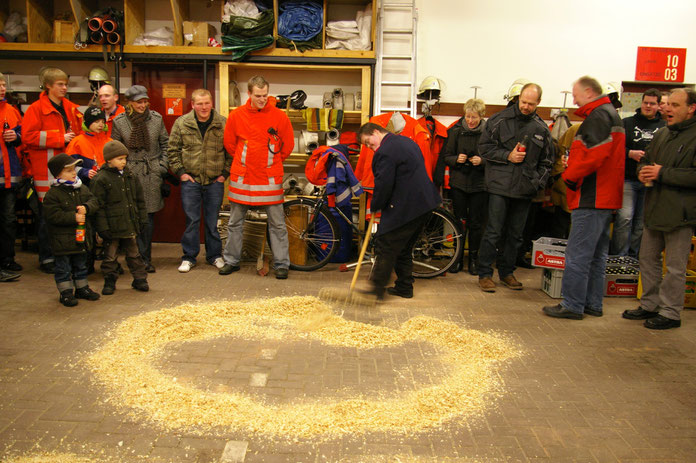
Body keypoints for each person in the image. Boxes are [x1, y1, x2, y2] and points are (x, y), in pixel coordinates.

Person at [542, 76, 625, 320]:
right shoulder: (610, 115)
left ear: (589, 92)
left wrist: (569, 176)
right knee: (597, 255)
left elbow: (592, 156)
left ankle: (572, 304)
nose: (574, 98)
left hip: (592, 196)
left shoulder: (598, 116)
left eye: (575, 94)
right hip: (606, 198)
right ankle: (592, 304)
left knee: (577, 254)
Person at [622, 88, 696, 330]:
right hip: (654, 209)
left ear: (691, 108)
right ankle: (649, 304)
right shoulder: (662, 133)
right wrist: (643, 169)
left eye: (674, 105)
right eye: (668, 104)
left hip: (680, 214)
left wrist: (662, 173)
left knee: (675, 267)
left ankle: (671, 312)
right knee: (647, 259)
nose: (667, 109)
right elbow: (647, 159)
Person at [477, 83, 554, 292]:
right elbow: (484, 148)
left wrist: (536, 182)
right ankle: (484, 273)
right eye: (523, 102)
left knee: (515, 234)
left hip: (524, 189)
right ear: (518, 98)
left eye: (530, 103)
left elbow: (548, 162)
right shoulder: (499, 120)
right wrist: (507, 155)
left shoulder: (541, 129)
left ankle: (507, 272)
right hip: (499, 187)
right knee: (493, 231)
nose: (526, 107)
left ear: (538, 103)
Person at [220, 76, 294, 279]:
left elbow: (287, 146)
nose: (262, 99)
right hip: (243, 177)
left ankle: (281, 264)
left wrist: (269, 161)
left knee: (277, 224)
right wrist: (247, 160)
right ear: (249, 94)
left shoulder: (279, 116)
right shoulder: (237, 115)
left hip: (269, 177)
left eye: (265, 95)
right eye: (258, 96)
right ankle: (231, 261)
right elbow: (230, 144)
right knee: (235, 222)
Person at [358, 122, 441, 299]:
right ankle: (404, 287)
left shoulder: (385, 151)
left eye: (369, 143)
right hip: (425, 203)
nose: (370, 148)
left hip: (408, 205)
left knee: (386, 244)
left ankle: (376, 290)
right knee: (403, 247)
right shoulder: (406, 141)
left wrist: (375, 205)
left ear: (375, 132)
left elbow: (384, 183)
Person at [22, 67, 83, 273]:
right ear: (48, 85)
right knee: (48, 217)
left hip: (69, 170)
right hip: (46, 173)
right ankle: (47, 257)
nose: (64, 88)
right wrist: (58, 138)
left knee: (70, 214)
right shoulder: (36, 109)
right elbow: (28, 136)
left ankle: (69, 256)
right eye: (60, 84)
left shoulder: (72, 108)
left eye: (66, 84)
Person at [167, 89, 231, 273]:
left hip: (214, 182)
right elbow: (172, 151)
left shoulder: (222, 124)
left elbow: (231, 152)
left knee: (212, 222)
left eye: (207, 103)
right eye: (200, 104)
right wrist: (181, 173)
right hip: (191, 181)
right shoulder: (182, 123)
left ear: (212, 104)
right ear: (193, 105)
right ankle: (189, 257)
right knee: (192, 220)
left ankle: (214, 256)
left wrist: (223, 175)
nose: (204, 107)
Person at [110, 85, 169, 273]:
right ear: (129, 103)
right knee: (129, 217)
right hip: (129, 174)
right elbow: (115, 150)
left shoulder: (156, 119)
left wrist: (161, 167)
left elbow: (166, 144)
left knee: (148, 218)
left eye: (145, 101)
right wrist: (122, 171)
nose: (143, 105)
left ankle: (145, 259)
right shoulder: (119, 122)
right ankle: (130, 258)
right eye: (138, 102)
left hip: (151, 173)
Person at [610, 89, 665, 257]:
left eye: (652, 103)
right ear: (641, 103)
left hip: (651, 182)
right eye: (645, 102)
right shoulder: (626, 123)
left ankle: (633, 258)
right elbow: (614, 147)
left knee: (641, 222)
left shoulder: (664, 127)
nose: (648, 106)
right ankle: (619, 257)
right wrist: (629, 153)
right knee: (624, 219)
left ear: (658, 106)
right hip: (628, 179)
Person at [91, 140, 149, 295]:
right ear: (109, 160)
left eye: (125, 158)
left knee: (134, 254)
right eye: (120, 159)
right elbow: (98, 206)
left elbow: (139, 200)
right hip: (112, 226)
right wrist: (102, 228)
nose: (124, 162)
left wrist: (142, 218)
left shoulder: (130, 176)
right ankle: (109, 281)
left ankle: (140, 279)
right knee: (110, 257)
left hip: (129, 225)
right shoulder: (101, 179)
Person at [43, 153, 100, 306]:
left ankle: (82, 288)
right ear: (58, 174)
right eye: (68, 170)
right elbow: (52, 215)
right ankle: (66, 292)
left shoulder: (82, 188)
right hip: (62, 241)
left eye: (74, 169)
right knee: (63, 268)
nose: (74, 173)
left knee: (81, 265)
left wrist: (87, 208)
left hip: (80, 238)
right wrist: (73, 217)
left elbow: (94, 201)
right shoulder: (53, 194)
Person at [442, 98, 487, 275]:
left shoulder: (488, 133)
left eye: (474, 117)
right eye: (468, 116)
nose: (470, 120)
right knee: (458, 222)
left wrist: (482, 161)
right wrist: (456, 159)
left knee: (476, 224)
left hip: (480, 185)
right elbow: (446, 156)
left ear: (481, 116)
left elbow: (494, 158)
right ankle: (457, 258)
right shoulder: (456, 132)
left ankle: (474, 260)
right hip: (459, 183)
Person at [0, 72, 23, 281]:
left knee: (8, 220)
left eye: (3, 85)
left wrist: (16, 137)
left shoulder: (11, 111)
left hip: (8, 177)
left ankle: (7, 259)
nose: (2, 88)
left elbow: (23, 135)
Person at [66, 106, 111, 184]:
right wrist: (84, 172)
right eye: (96, 122)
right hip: (85, 186)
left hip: (107, 185)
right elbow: (67, 166)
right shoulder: (77, 142)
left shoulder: (110, 142)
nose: (101, 125)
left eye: (103, 122)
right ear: (87, 123)